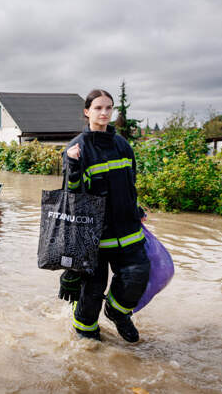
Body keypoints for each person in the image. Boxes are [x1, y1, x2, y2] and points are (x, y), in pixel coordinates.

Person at [60, 89, 150, 343]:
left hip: (127, 228)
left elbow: (130, 183)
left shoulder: (122, 144)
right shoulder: (76, 148)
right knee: (91, 291)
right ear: (87, 111)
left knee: (139, 273)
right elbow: (71, 197)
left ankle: (118, 313)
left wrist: (137, 209)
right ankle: (87, 339)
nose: (104, 113)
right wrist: (74, 165)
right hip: (94, 236)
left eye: (109, 108)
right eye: (98, 108)